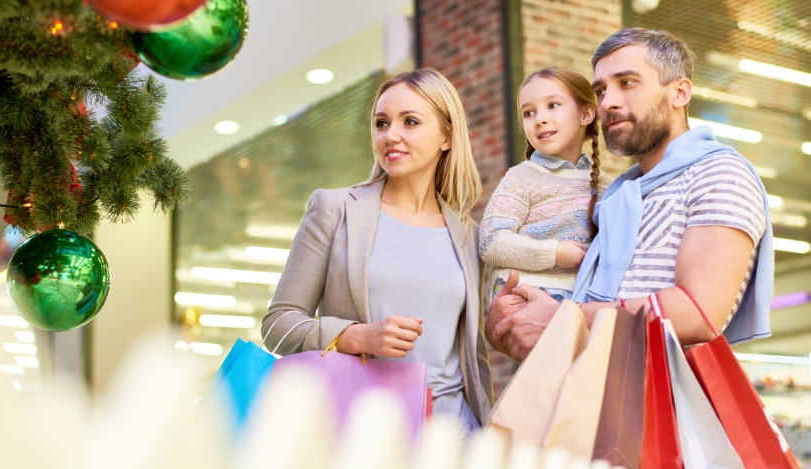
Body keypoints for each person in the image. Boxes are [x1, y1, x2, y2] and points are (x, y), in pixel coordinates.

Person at [486, 27, 773, 361]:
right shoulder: (616, 197)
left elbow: (698, 312)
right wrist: (507, 317)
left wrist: (564, 319)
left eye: (627, 82)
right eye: (601, 89)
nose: (608, 102)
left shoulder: (718, 174)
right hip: (593, 393)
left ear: (679, 92)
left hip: (662, 402)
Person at [261, 68, 494, 437]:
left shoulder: (469, 236)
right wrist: (355, 336)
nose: (391, 135)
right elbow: (278, 323)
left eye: (410, 121)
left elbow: (470, 353)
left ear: (447, 136)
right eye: (381, 123)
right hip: (366, 436)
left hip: (453, 440)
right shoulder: (335, 210)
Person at [480, 67, 612, 303]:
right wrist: (553, 253)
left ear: (586, 114)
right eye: (528, 113)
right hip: (522, 299)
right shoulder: (521, 178)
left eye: (552, 105)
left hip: (579, 306)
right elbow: (491, 242)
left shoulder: (605, 187)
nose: (539, 119)